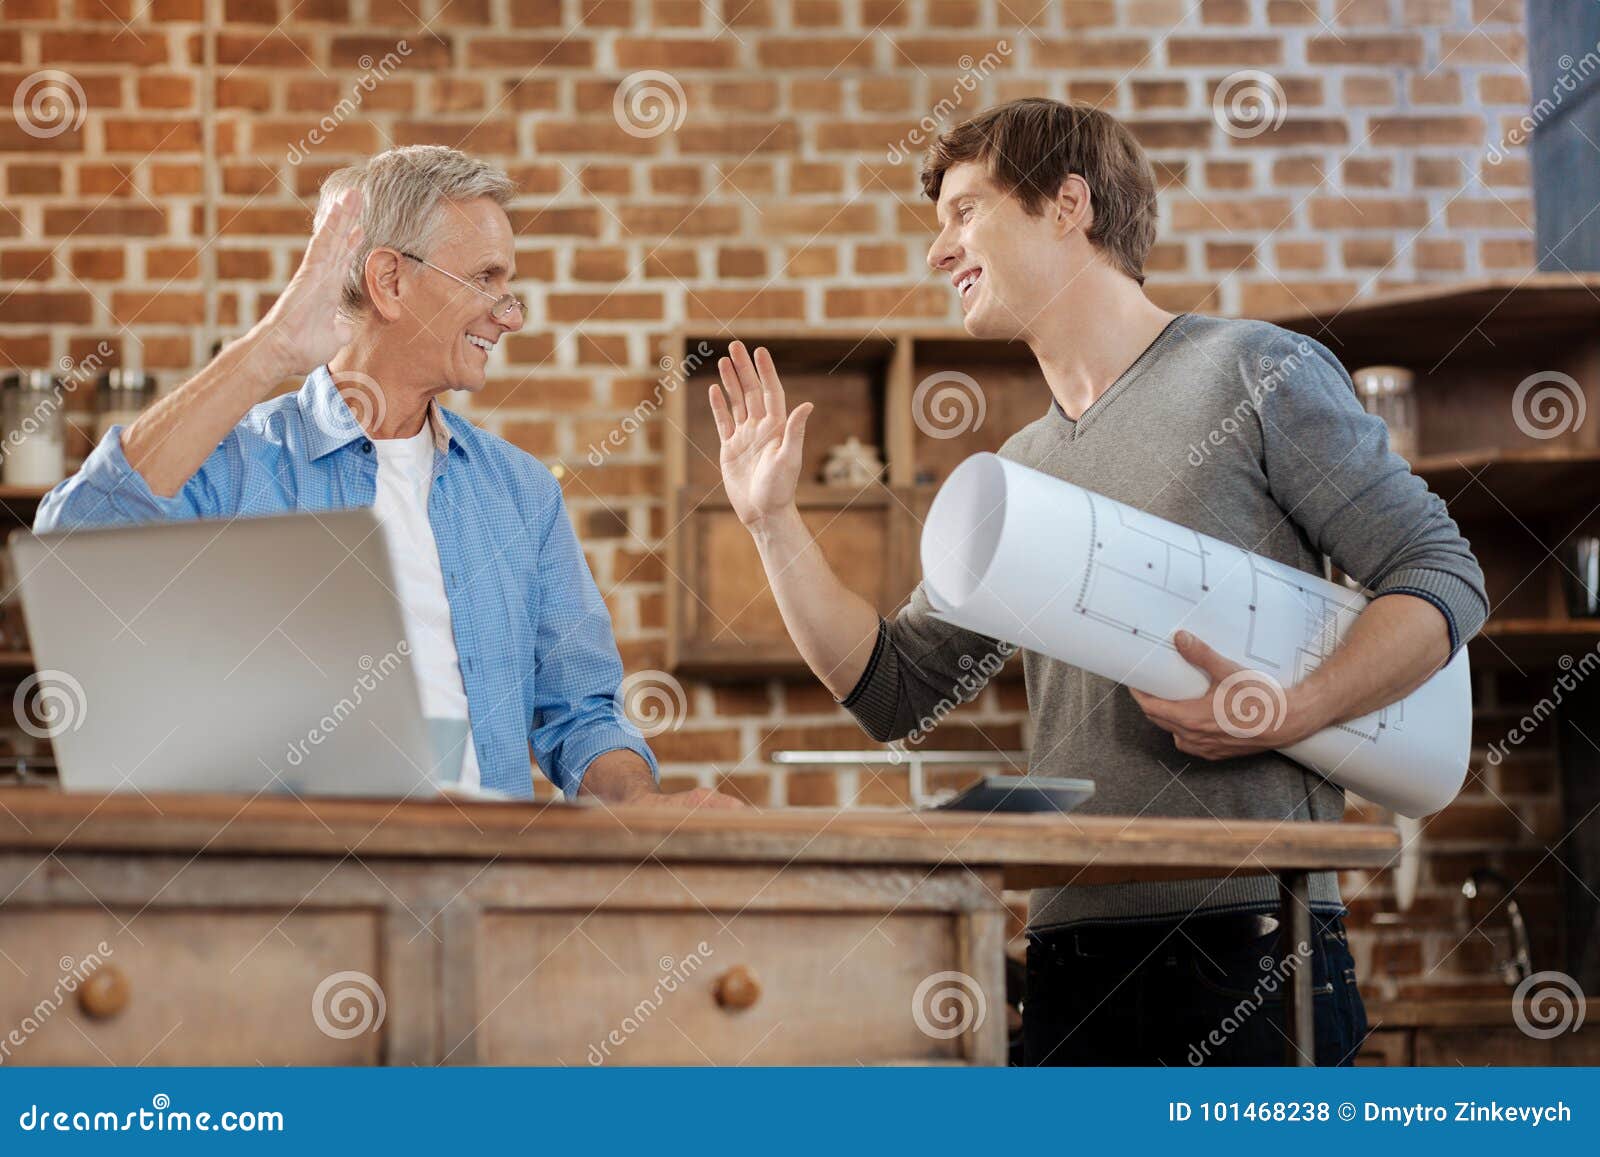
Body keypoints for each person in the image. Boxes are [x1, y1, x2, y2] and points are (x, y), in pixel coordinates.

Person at [709, 98, 1486, 1064]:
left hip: (1249, 938)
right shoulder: (1020, 469)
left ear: (1067, 205)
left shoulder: (1254, 373)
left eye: (964, 211)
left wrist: (1294, 708)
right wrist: (772, 522)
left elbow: (1441, 572)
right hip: (1071, 947)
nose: (938, 250)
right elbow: (892, 687)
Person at [36, 145, 740, 811]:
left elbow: (580, 714)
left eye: (510, 285)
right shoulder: (239, 463)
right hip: (298, 900)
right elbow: (73, 548)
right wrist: (267, 351)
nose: (510, 313)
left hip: (483, 893)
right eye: (486, 279)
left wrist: (642, 805)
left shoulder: (522, 494)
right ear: (391, 280)